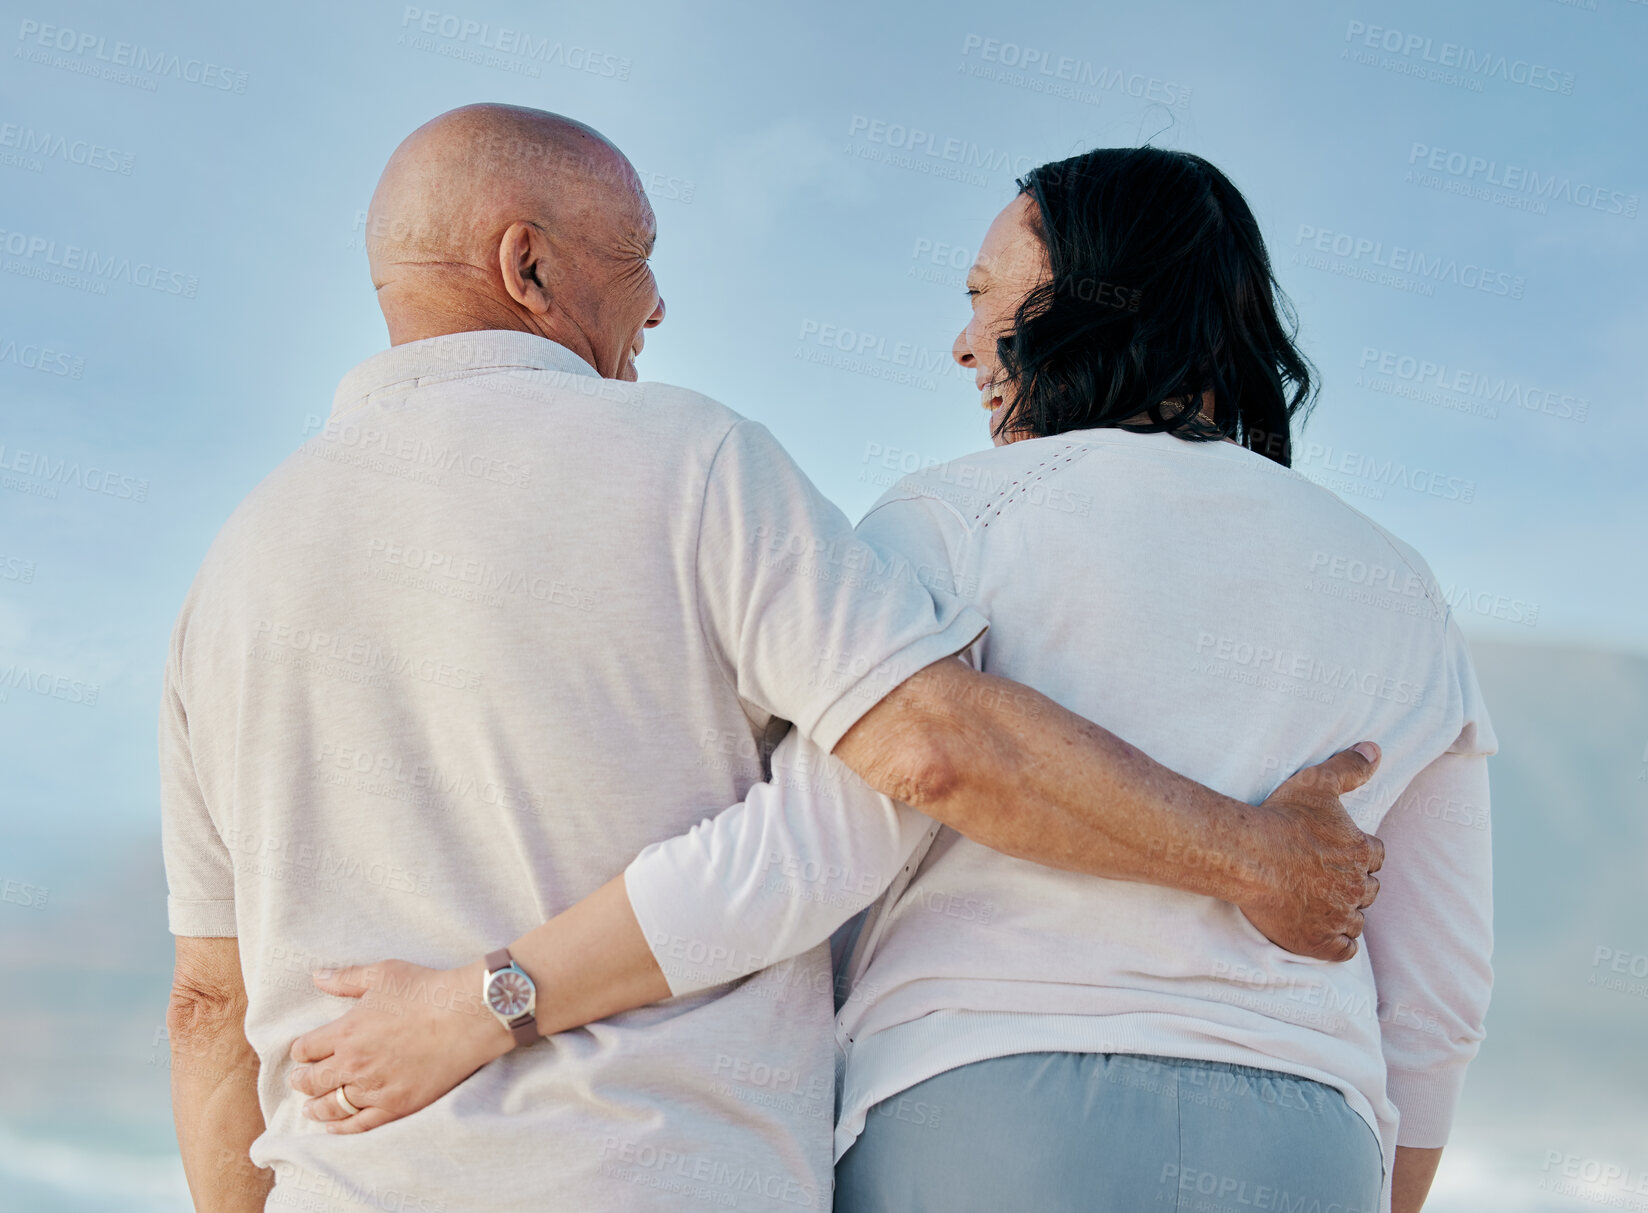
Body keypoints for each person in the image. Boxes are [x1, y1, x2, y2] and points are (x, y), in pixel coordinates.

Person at [161, 109, 1381, 1213]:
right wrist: (1252, 853)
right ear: (527, 266)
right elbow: (927, 755)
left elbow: (208, 1011)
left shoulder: (229, 574)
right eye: (636, 254)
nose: (656, 304)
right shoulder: (685, 459)